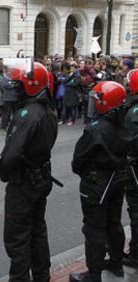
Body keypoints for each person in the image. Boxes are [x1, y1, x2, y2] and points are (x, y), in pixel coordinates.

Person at [0, 61, 58, 282]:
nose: (16, 89)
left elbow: (10, 155)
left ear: (31, 85)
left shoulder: (27, 114)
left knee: (18, 239)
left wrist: (2, 171)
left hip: (23, 184)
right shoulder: (47, 110)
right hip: (40, 180)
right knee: (37, 232)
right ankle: (42, 276)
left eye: (20, 85)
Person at [70, 81, 130, 282]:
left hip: (98, 182)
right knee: (114, 222)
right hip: (118, 177)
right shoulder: (124, 122)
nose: (95, 103)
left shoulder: (96, 128)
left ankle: (93, 274)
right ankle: (116, 264)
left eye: (98, 99)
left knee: (94, 227)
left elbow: (78, 160)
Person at [123, 69, 138, 269]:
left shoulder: (134, 112)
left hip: (135, 169)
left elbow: (130, 141)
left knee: (136, 212)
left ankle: (135, 254)